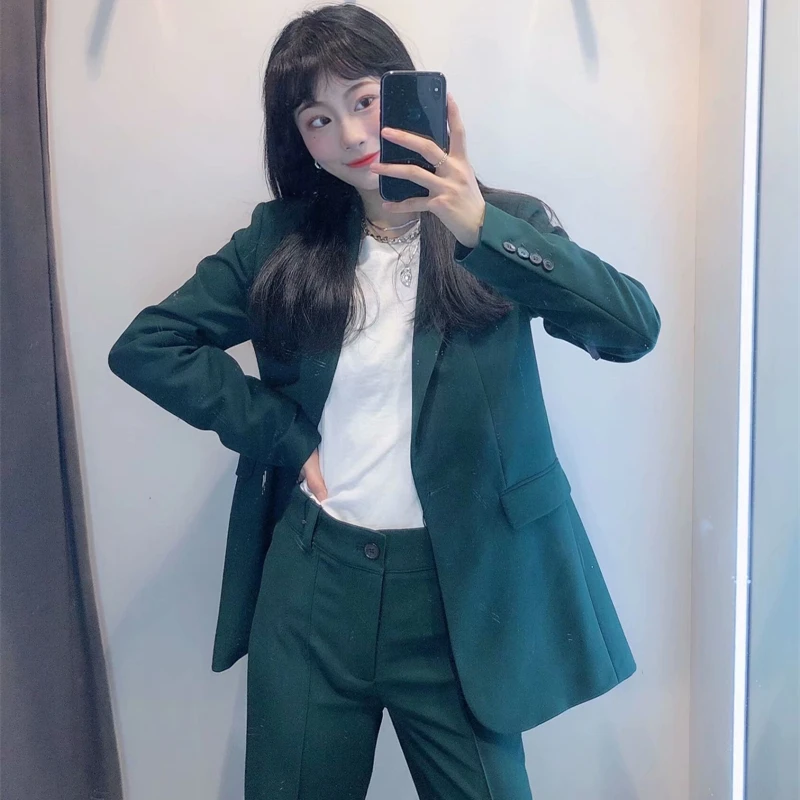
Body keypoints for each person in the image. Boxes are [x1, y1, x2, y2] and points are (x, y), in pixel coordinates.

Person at [108, 4, 661, 799]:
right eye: (318, 119)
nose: (350, 134)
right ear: (298, 139)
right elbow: (149, 345)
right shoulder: (280, 240)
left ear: (406, 89)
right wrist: (282, 432)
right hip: (312, 590)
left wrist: (476, 223)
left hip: (459, 596)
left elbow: (632, 330)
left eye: (364, 100)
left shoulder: (506, 227)